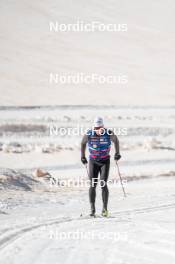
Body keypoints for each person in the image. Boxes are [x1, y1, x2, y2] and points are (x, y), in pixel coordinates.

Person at [81, 117, 121, 217]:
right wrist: (82, 156)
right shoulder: (89, 134)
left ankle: (105, 209)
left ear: (103, 126)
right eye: (95, 128)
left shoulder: (108, 133)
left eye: (99, 128)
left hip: (105, 161)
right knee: (93, 184)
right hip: (93, 161)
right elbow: (82, 143)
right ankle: (92, 209)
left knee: (103, 184)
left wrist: (117, 153)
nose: (97, 130)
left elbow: (116, 141)